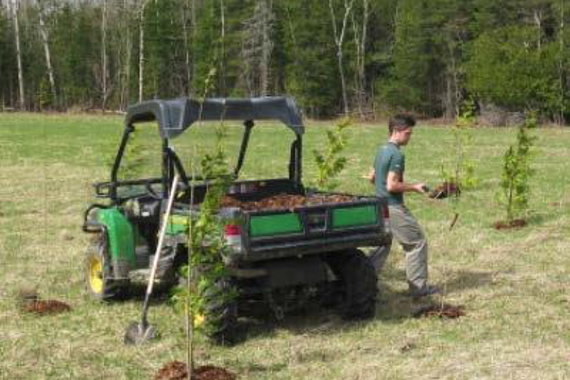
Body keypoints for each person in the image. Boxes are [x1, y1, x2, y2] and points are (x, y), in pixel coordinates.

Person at [367, 114, 439, 298]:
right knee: (416, 243)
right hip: (392, 207)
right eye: (408, 133)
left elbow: (372, 178)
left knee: (382, 245)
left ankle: (364, 284)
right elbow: (391, 185)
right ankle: (419, 289)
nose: (409, 137)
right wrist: (414, 187)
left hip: (379, 206)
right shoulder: (396, 154)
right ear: (397, 131)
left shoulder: (381, 150)